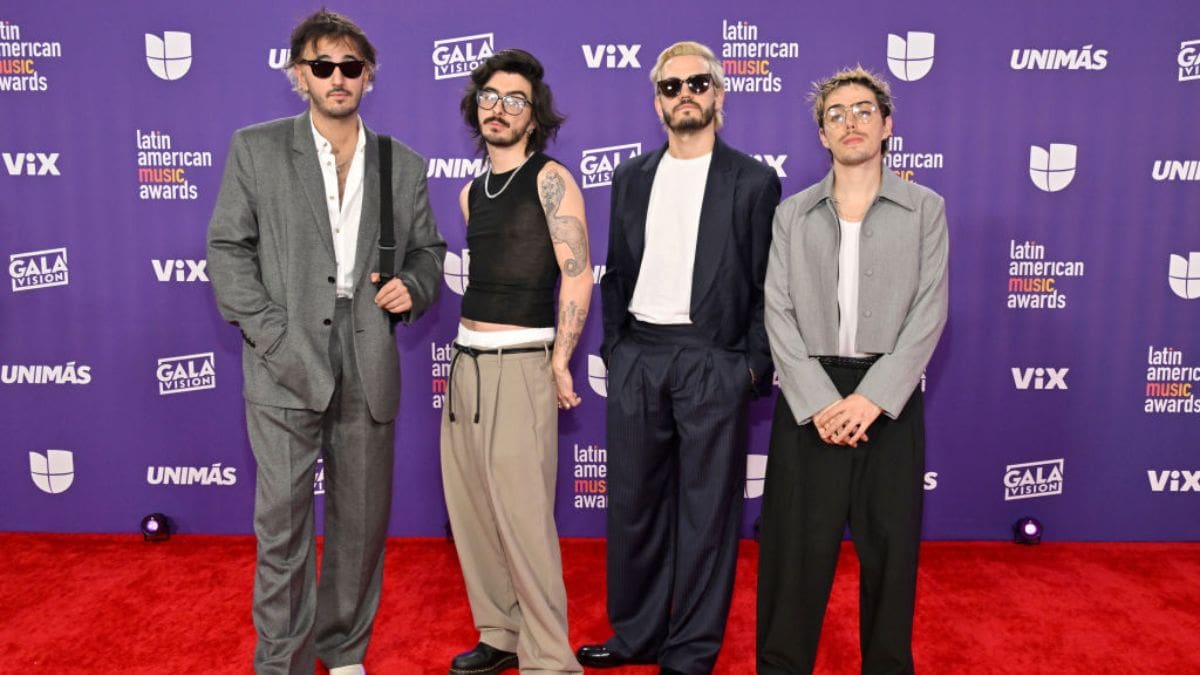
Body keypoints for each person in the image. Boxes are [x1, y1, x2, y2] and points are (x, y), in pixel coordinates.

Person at [205, 9, 446, 674]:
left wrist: (414, 286)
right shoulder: (256, 149)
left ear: (368, 76)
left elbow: (428, 252)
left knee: (360, 524)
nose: (337, 77)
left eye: (350, 66)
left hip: (369, 355)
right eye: (322, 66)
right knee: (281, 523)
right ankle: (281, 659)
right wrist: (273, 334)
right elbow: (227, 250)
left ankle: (342, 650)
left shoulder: (402, 163)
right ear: (299, 75)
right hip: (283, 357)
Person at [576, 41, 780, 675]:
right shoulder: (630, 177)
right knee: (633, 506)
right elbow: (616, 272)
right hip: (639, 355)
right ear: (657, 102)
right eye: (671, 86)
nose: (684, 94)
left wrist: (749, 369)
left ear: (718, 93)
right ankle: (636, 635)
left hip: (713, 360)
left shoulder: (753, 181)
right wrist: (616, 348)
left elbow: (769, 286)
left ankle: (690, 652)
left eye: (697, 83)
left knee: (706, 516)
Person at [757, 66, 949, 674]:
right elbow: (777, 311)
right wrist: (818, 401)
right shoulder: (792, 215)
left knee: (891, 559)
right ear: (822, 134)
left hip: (887, 402)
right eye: (835, 114)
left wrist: (872, 398)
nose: (850, 122)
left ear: (887, 125)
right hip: (808, 403)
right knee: (792, 558)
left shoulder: (925, 209)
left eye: (864, 110)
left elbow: (930, 311)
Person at [440, 49, 590, 675]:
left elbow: (577, 276)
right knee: (473, 512)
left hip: (522, 362)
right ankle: (500, 633)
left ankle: (550, 659)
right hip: (466, 365)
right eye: (489, 98)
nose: (498, 109)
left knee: (525, 520)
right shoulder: (471, 193)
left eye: (514, 100)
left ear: (534, 115)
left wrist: (561, 360)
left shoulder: (551, 179)